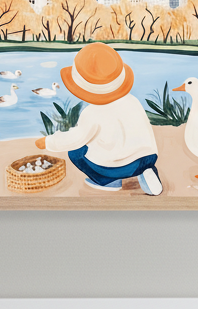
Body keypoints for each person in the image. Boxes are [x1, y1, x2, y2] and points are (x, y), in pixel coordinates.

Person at [34, 42, 162, 195]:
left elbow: (76, 138)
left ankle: (107, 181)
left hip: (118, 167)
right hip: (148, 157)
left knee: (75, 152)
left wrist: (49, 142)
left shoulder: (92, 113)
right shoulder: (132, 101)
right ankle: (146, 172)